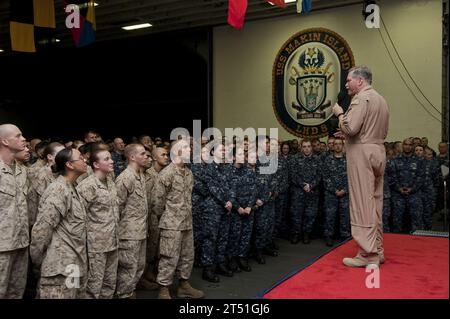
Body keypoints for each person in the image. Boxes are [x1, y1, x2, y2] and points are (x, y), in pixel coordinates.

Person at [332, 65, 389, 267]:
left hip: (361, 155)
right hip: (377, 151)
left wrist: (339, 114)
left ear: (360, 81)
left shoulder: (360, 98)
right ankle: (378, 250)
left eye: (348, 80)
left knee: (361, 203)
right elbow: (373, 130)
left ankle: (368, 255)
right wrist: (347, 134)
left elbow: (351, 126)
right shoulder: (381, 99)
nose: (346, 84)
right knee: (374, 203)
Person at [30, 148, 89, 298]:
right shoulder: (58, 190)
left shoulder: (72, 188)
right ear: (70, 165)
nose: (85, 161)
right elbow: (42, 230)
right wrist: (39, 263)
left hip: (73, 265)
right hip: (59, 267)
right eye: (80, 158)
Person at [152, 139, 204, 299]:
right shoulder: (167, 174)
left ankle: (184, 285)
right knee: (169, 256)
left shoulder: (188, 173)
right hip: (171, 224)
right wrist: (168, 218)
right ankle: (164, 289)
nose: (191, 150)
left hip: (187, 222)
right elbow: (157, 202)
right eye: (187, 148)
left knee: (187, 255)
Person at [77, 149, 120, 299]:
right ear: (95, 164)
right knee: (93, 286)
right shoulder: (87, 186)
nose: (112, 161)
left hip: (113, 242)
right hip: (95, 246)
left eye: (111, 158)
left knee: (109, 284)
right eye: (106, 159)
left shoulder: (110, 182)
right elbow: (78, 217)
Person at [114, 144, 149, 299]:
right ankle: (124, 295)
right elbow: (117, 207)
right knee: (128, 268)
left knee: (139, 266)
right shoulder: (125, 178)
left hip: (140, 230)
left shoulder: (140, 175)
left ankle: (129, 292)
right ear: (132, 157)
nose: (146, 156)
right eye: (142, 154)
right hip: (129, 233)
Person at [0, 124, 28, 299]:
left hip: (21, 243)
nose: (23, 139)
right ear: (5, 141)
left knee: (16, 293)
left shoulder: (21, 171)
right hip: (2, 246)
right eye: (18, 136)